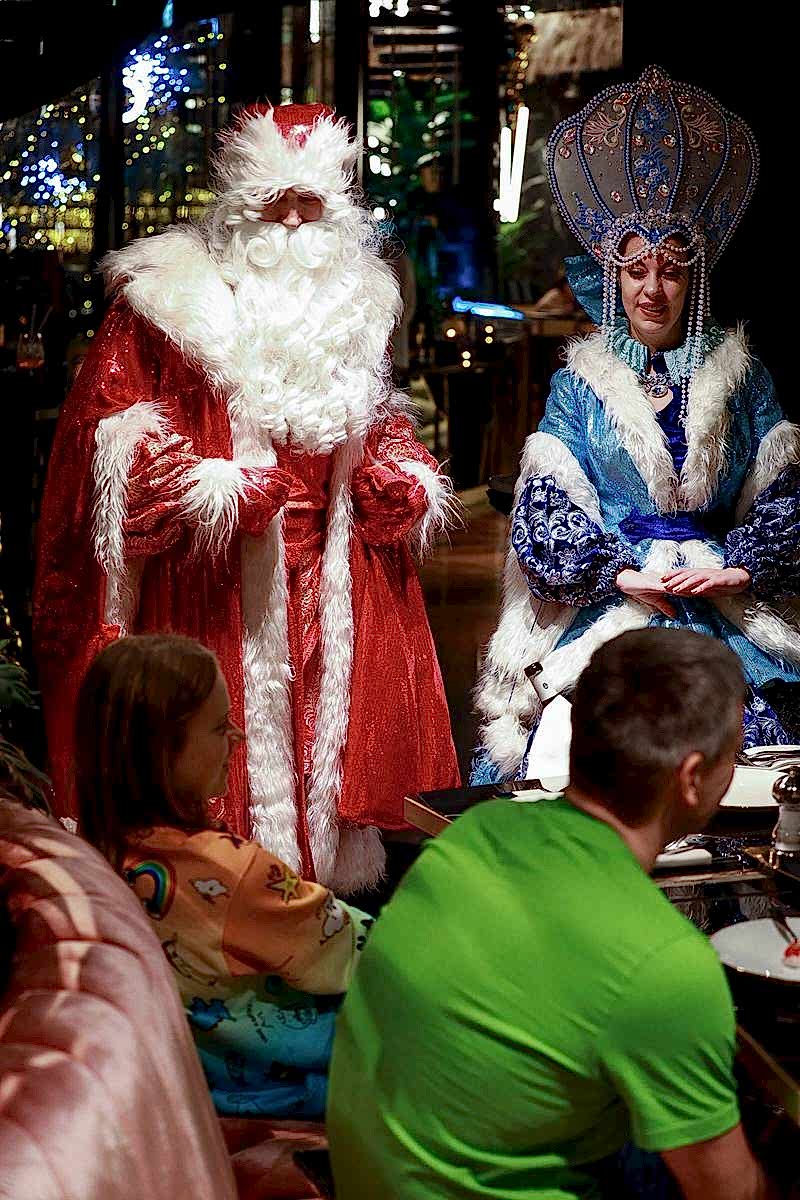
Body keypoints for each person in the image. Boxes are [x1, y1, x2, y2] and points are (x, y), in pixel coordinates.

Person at [34, 102, 460, 894]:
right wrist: (213, 487)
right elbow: (106, 436)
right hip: (214, 583)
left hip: (328, 578)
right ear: (240, 203)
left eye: (310, 202)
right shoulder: (165, 301)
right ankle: (219, 910)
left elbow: (375, 420)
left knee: (323, 756)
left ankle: (313, 913)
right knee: (222, 757)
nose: (292, 221)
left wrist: (401, 472)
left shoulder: (358, 306)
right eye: (275, 200)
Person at [328, 628, 776, 1200]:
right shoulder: (664, 961)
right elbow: (731, 1193)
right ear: (690, 778)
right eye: (734, 754)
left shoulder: (478, 831)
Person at [472, 65, 800, 786]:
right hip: (616, 601)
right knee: (583, 747)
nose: (653, 289)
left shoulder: (742, 376)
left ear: (694, 278)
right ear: (613, 276)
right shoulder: (580, 384)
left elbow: (787, 498)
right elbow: (543, 511)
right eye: (636, 270)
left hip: (720, 600)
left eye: (671, 271)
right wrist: (620, 573)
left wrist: (737, 566)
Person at [74, 633, 373, 1119]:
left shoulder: (90, 859)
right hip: (292, 1096)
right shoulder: (232, 872)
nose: (238, 736)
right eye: (218, 727)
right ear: (162, 750)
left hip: (177, 1096)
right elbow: (357, 952)